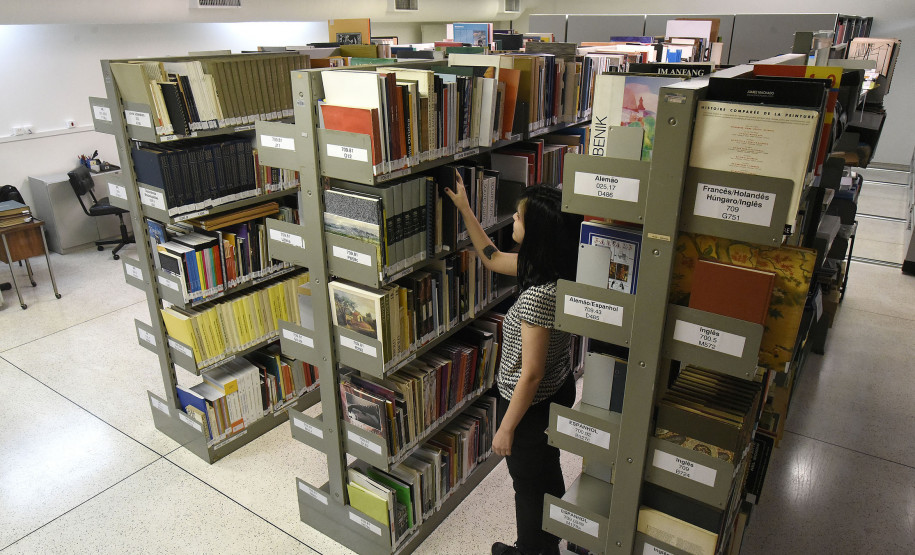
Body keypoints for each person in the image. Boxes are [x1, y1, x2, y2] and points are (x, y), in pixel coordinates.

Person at [444, 171, 583, 555]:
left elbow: (531, 373)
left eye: (519, 217)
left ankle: (530, 549)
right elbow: (490, 257)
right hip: (558, 387)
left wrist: (506, 428)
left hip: (530, 405)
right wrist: (465, 209)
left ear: (536, 232)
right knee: (546, 467)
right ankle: (548, 539)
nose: (513, 219)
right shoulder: (555, 269)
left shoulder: (539, 294)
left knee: (527, 484)